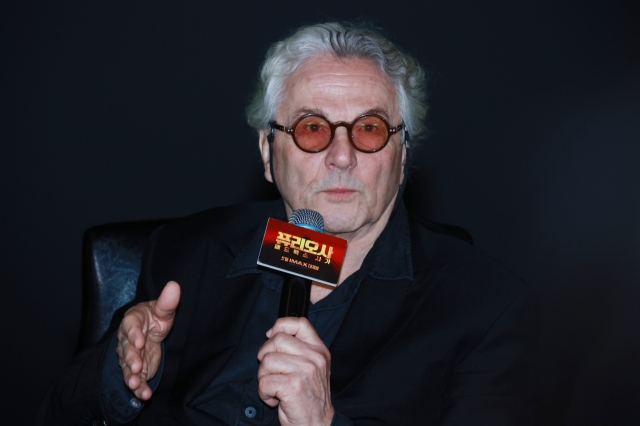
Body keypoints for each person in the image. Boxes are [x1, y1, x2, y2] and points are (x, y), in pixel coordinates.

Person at [39, 22, 538, 425]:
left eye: (368, 129)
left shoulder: (486, 306)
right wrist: (119, 375)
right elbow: (58, 412)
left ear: (402, 156)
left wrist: (322, 423)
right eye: (312, 128)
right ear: (267, 151)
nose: (342, 156)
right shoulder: (186, 251)